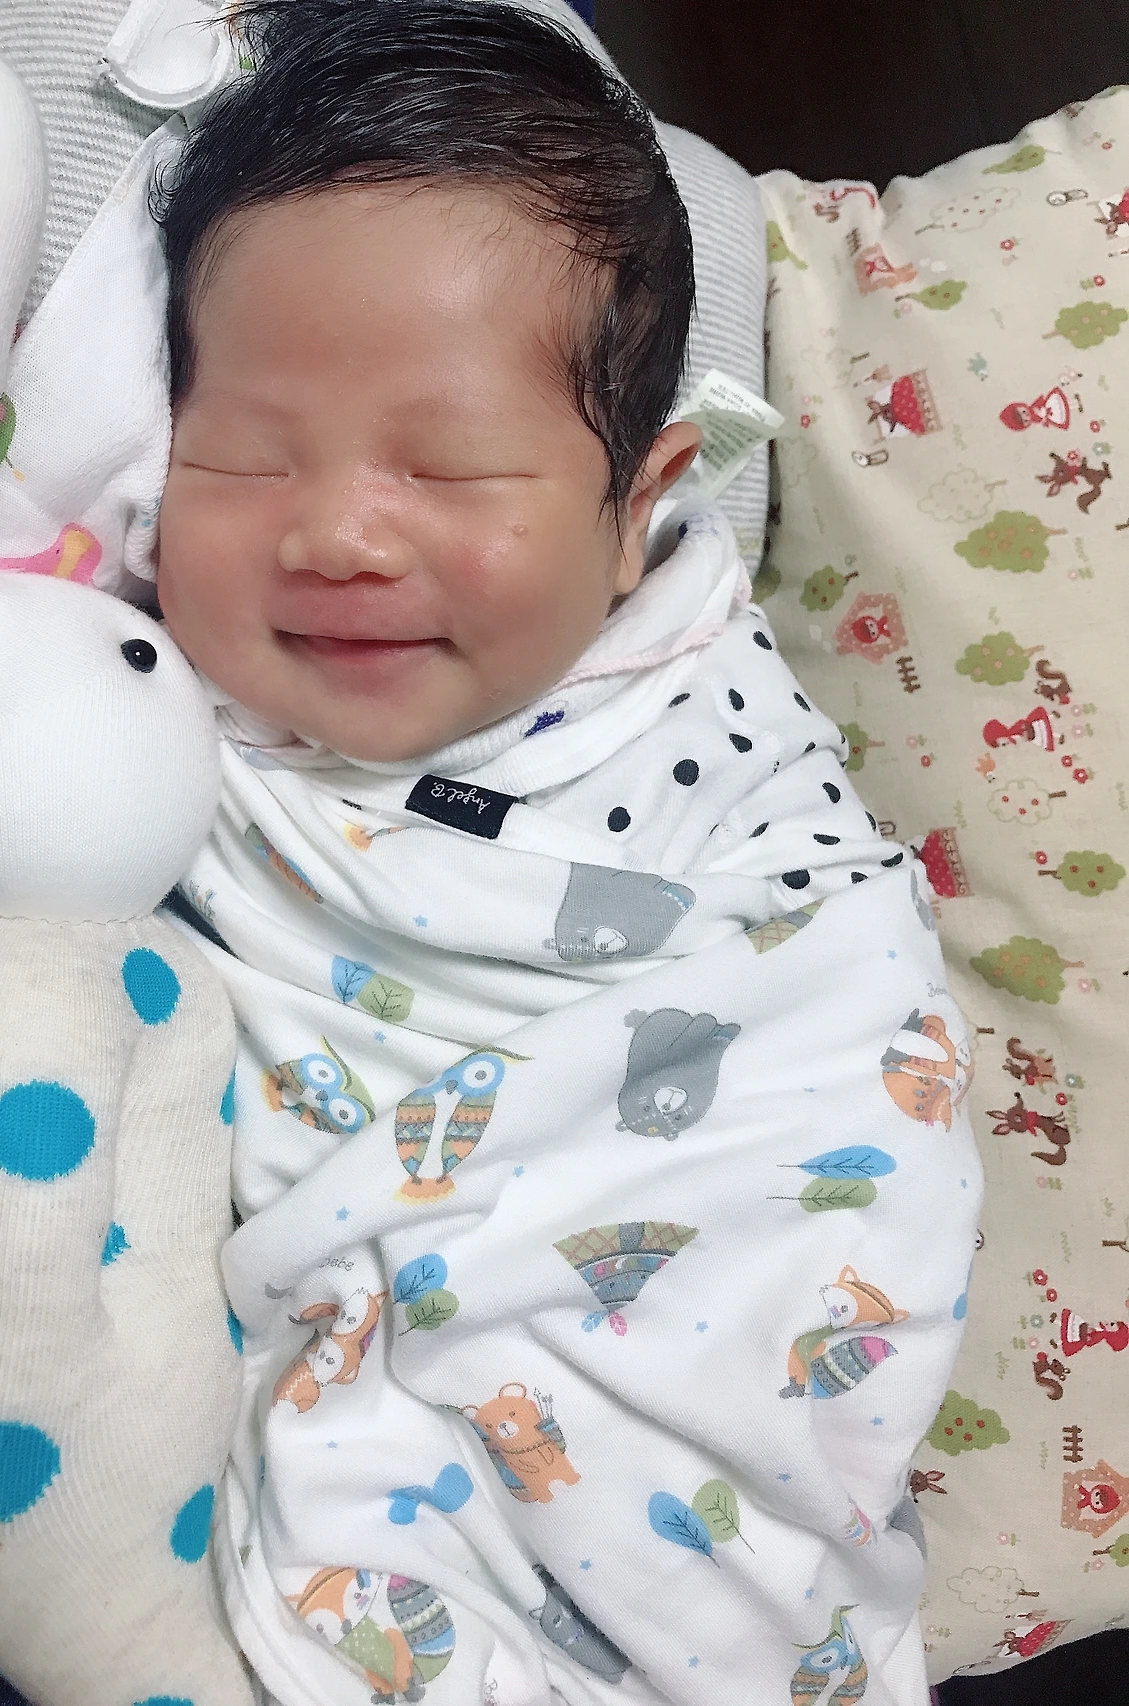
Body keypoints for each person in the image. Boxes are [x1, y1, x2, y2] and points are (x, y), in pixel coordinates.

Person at [143, 6, 979, 1704]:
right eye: (244, 456)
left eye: (449, 464)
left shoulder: (712, 755)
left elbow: (839, 1042)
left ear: (636, 509)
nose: (336, 532)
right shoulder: (126, 708)